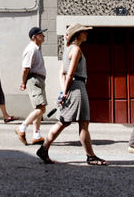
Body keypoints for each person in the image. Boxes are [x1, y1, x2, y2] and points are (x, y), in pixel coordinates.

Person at [36, 23, 108, 165]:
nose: (86, 34)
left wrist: (64, 90)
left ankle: (44, 148)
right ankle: (91, 157)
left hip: (72, 87)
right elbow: (69, 74)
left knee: (65, 121)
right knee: (81, 123)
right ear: (77, 34)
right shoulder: (76, 50)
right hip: (77, 87)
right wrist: (66, 91)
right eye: (84, 32)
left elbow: (62, 73)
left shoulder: (67, 49)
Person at [16, 26, 48, 145]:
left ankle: (36, 135)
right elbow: (26, 68)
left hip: (38, 79)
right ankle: (22, 128)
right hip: (34, 79)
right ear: (34, 37)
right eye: (41, 34)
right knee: (41, 108)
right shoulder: (31, 49)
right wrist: (23, 82)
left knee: (38, 108)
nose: (43, 36)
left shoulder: (36, 48)